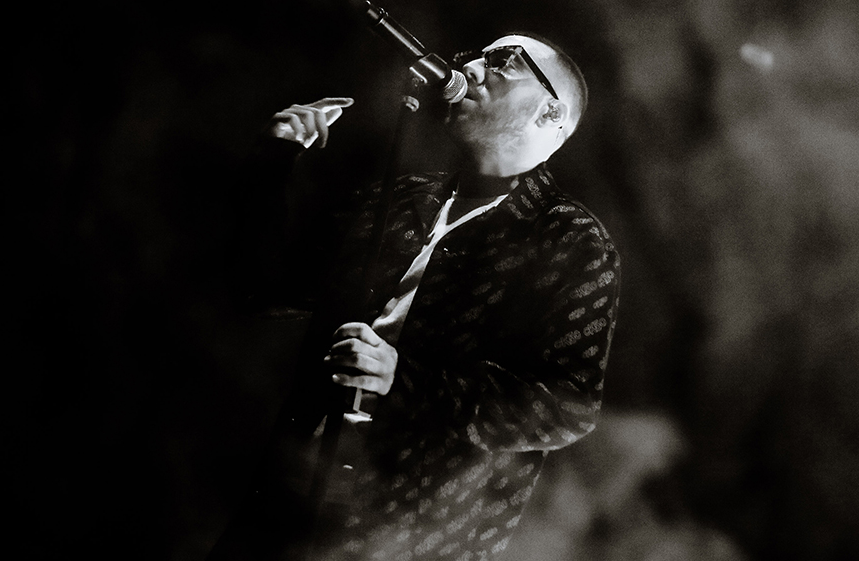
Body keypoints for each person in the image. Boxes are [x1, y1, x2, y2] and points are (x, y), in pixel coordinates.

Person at [210, 34, 620, 561]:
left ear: (549, 113)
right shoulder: (397, 198)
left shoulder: (572, 241)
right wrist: (272, 163)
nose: (473, 67)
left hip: (414, 535)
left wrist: (402, 379)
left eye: (503, 63)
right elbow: (260, 288)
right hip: (288, 506)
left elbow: (567, 407)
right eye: (478, 54)